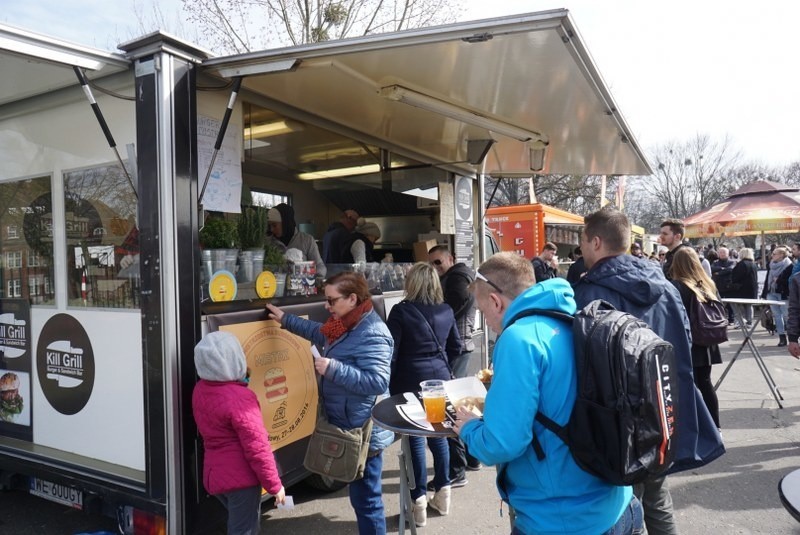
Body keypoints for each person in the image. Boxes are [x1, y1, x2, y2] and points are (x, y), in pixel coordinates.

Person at [453, 252, 642, 535]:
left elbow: (501, 444)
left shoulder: (517, 338)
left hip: (561, 519)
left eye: (483, 311)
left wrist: (468, 429)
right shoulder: (571, 317)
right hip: (620, 505)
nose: (488, 322)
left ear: (495, 301)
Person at [573, 207, 724, 535]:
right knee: (656, 496)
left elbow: (582, 365)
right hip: (664, 410)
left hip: (616, 422)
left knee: (623, 509)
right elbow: (682, 350)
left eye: (583, 241)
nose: (581, 248)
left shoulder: (590, 293)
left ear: (596, 242)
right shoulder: (666, 285)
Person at [265, 272, 393, 534]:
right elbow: (319, 333)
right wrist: (285, 320)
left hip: (363, 433)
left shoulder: (372, 332)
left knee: (367, 500)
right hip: (348, 424)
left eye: (332, 300)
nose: (327, 306)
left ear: (352, 298)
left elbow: (378, 382)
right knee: (362, 498)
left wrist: (334, 369)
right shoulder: (344, 323)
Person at [386, 262, 461, 526]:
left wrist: (387, 384)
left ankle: (418, 502)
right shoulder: (446, 310)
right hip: (437, 381)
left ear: (412, 283)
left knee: (416, 439)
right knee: (438, 434)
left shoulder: (400, 311)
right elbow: (456, 346)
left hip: (408, 382)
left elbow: (391, 354)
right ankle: (443, 492)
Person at [191, 331, 286, 535]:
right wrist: (275, 486)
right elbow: (258, 448)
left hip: (214, 475)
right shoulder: (241, 398)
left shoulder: (200, 389)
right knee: (244, 529)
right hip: (241, 480)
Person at [427, 245, 480, 485]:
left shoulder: (457, 278)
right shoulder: (461, 275)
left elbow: (453, 307)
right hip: (461, 345)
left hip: (456, 347)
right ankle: (471, 457)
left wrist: (438, 318)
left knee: (451, 409)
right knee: (461, 405)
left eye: (438, 262)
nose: (435, 268)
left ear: (451, 258)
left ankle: (457, 469)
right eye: (432, 264)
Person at [669, 247, 723, 430]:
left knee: (689, 386)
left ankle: (698, 427)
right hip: (708, 339)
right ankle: (715, 426)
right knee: (706, 383)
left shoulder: (677, 286)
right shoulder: (707, 283)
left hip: (688, 340)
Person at [266, 203, 327, 276]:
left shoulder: (307, 240)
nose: (271, 229)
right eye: (270, 226)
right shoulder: (268, 243)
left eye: (274, 225)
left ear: (286, 223)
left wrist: (315, 278)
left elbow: (320, 266)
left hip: (302, 285)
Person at [761, 247, 792, 346]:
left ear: (781, 255)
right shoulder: (771, 265)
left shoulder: (789, 265)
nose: (772, 256)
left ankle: (792, 337)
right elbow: (767, 279)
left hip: (783, 293)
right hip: (771, 292)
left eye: (774, 254)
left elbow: (789, 281)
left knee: (786, 315)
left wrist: (778, 280)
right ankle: (782, 337)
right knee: (777, 316)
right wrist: (764, 293)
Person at [729, 247, 759, 325]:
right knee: (749, 306)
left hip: (741, 288)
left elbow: (736, 277)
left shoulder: (741, 264)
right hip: (752, 289)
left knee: (739, 306)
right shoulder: (753, 264)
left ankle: (741, 321)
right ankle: (749, 321)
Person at [711, 247, 736, 324]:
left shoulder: (732, 262)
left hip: (728, 286)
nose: (722, 254)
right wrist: (722, 269)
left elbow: (730, 269)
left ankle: (731, 319)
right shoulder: (715, 262)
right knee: (719, 303)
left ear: (728, 254)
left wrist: (719, 273)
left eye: (723, 252)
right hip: (718, 286)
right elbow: (712, 269)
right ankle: (721, 318)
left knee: (730, 304)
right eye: (720, 252)